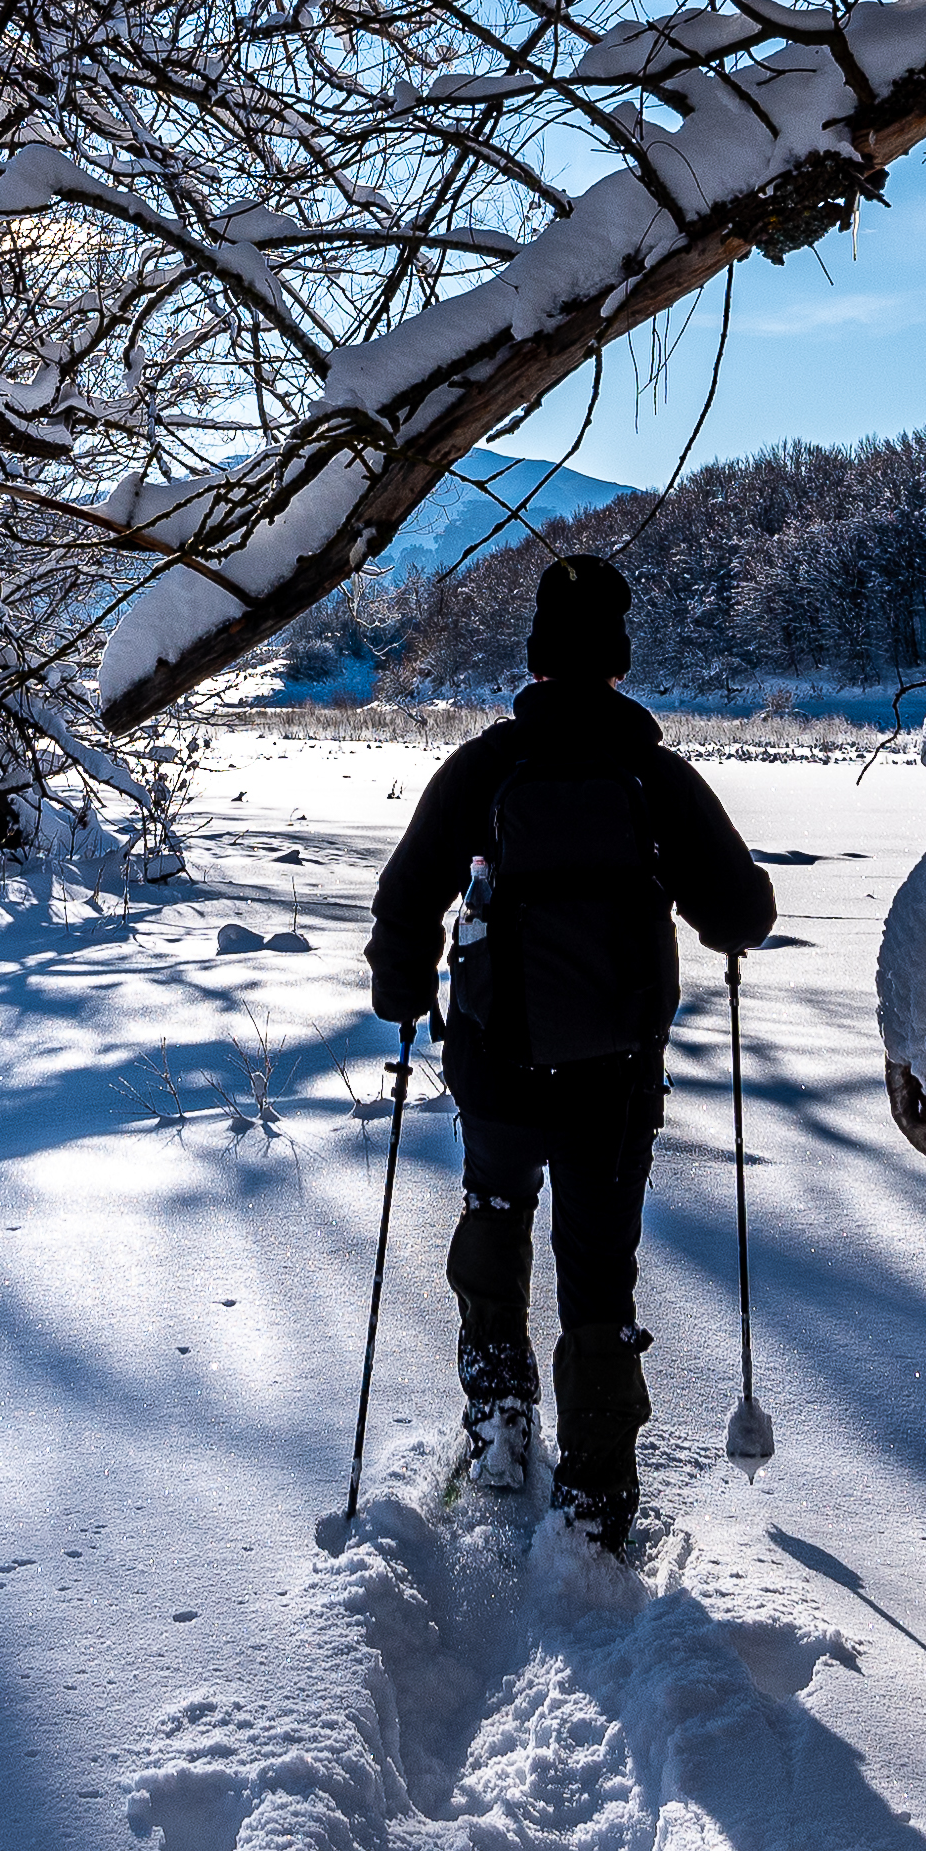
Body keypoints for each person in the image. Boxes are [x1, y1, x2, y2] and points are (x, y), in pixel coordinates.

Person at [365, 554, 774, 1553]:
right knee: (599, 1272)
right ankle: (594, 1492)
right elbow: (742, 911)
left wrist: (404, 990)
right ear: (618, 661)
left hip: (497, 1062)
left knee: (495, 1213)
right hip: (613, 1076)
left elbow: (408, 893)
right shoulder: (653, 776)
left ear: (538, 657)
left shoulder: (485, 766)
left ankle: (499, 1414)